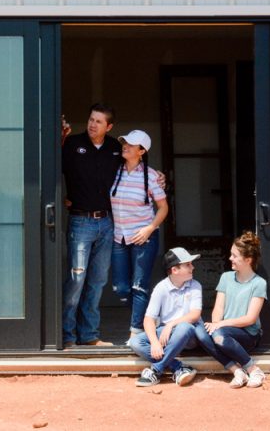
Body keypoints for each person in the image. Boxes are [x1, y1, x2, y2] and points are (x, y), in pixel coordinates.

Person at [60, 104, 121, 347]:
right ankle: (66, 335)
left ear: (109, 127)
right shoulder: (73, 144)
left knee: (97, 281)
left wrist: (157, 176)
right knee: (76, 279)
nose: (92, 124)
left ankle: (89, 335)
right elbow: (51, 170)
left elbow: (136, 167)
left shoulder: (116, 148)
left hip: (107, 222)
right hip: (80, 220)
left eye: (98, 121)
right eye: (91, 119)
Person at [109, 130, 168, 344]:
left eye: (131, 144)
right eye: (124, 142)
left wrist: (150, 228)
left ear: (141, 151)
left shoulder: (152, 176)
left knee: (139, 286)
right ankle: (149, 317)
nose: (125, 146)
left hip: (144, 237)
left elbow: (163, 208)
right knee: (121, 288)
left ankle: (136, 331)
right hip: (119, 237)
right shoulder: (114, 171)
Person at [194, 231, 268, 388]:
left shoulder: (259, 283)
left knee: (219, 334)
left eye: (235, 256)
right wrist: (215, 325)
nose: (230, 259)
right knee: (199, 331)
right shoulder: (226, 277)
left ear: (248, 260)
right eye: (231, 254)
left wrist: (220, 326)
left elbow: (250, 319)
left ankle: (254, 370)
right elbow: (218, 307)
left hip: (247, 334)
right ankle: (237, 371)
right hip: (222, 331)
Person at [129, 247, 202, 387]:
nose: (192, 267)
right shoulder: (161, 288)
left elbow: (194, 315)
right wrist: (155, 342)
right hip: (167, 337)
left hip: (188, 336)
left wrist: (170, 325)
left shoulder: (195, 285)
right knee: (135, 342)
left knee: (184, 327)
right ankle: (178, 367)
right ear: (175, 270)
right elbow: (149, 319)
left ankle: (156, 370)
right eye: (188, 264)